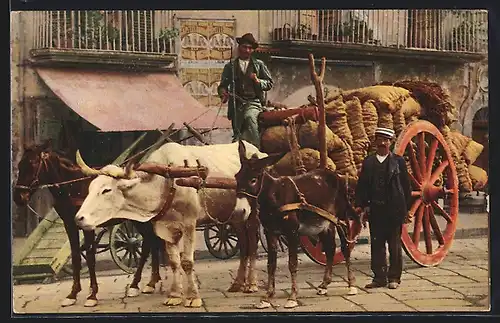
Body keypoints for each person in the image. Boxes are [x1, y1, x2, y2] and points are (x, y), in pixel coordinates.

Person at [354, 127, 411, 289]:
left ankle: (394, 278)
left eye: (386, 140)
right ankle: (379, 278)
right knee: (377, 245)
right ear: (375, 142)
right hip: (376, 210)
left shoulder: (398, 162)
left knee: (394, 245)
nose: (382, 143)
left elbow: (406, 187)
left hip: (393, 210)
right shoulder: (369, 162)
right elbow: (362, 186)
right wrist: (361, 205)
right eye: (379, 140)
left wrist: (406, 209)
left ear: (391, 142)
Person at [217, 33, 273, 147]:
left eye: (249, 48)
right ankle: (239, 158)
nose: (247, 50)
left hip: (253, 103)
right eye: (244, 47)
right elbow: (223, 85)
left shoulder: (259, 65)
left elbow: (269, 83)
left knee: (250, 118)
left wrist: (258, 81)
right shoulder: (230, 66)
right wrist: (223, 94)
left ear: (252, 50)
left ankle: (258, 151)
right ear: (239, 47)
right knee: (238, 133)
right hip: (236, 105)